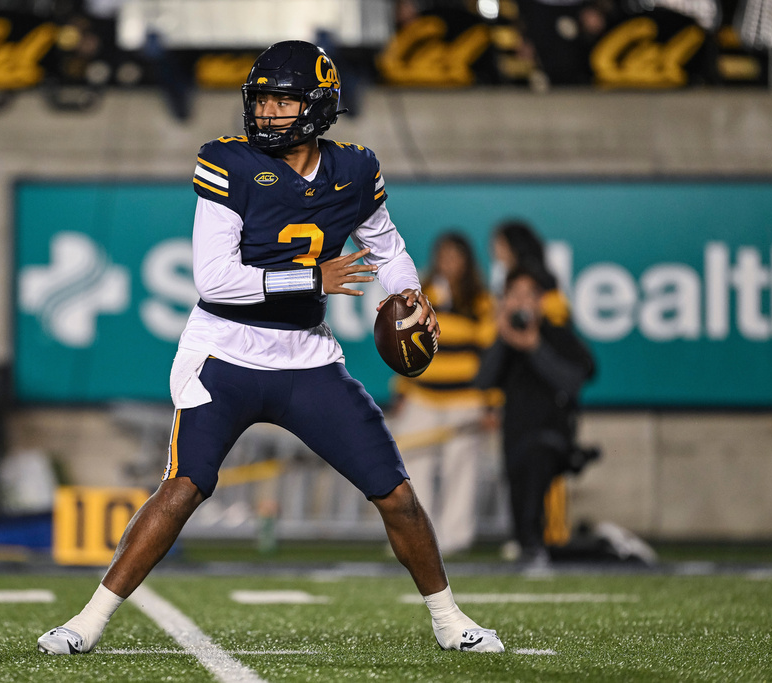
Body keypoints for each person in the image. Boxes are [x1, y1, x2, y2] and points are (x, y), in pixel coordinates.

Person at [38, 40, 504, 656]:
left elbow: (387, 248)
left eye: (283, 100)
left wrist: (410, 293)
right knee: (183, 487)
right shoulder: (227, 163)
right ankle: (87, 622)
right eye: (261, 99)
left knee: (396, 493)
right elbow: (215, 278)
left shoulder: (355, 168)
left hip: (306, 358)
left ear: (318, 106)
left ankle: (450, 621)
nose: (267, 112)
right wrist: (316, 278)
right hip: (223, 354)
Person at [475, 265, 595, 568]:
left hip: (551, 436)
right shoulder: (503, 342)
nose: (522, 302)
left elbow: (576, 379)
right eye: (514, 295)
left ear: (541, 300)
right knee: (520, 510)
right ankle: (534, 549)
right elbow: (483, 380)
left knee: (535, 470)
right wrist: (504, 337)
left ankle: (535, 545)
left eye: (529, 295)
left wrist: (534, 346)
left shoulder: (557, 335)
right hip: (514, 437)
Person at [392, 232, 498, 555]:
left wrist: (492, 404)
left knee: (461, 468)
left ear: (467, 262)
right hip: (423, 396)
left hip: (465, 399)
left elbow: (490, 355)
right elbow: (404, 347)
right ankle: (417, 538)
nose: (449, 263)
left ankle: (455, 538)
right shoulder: (421, 297)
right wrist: (403, 392)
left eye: (456, 257)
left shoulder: (481, 302)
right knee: (411, 465)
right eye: (444, 256)